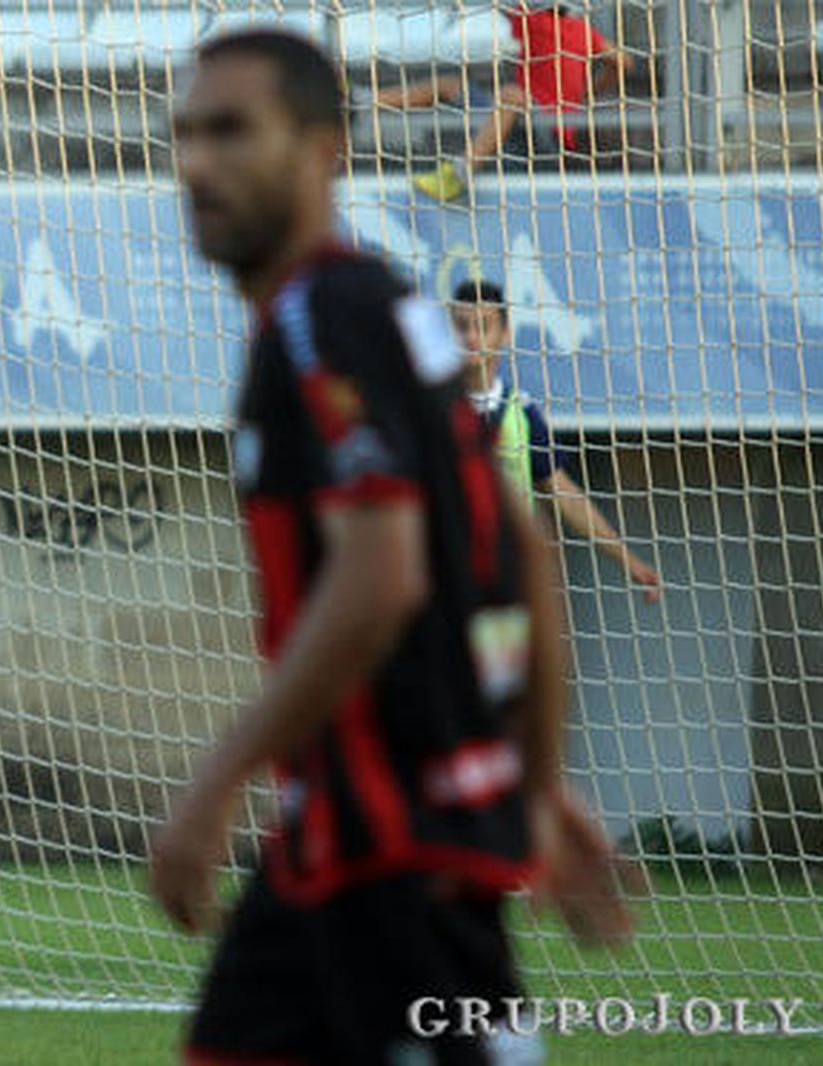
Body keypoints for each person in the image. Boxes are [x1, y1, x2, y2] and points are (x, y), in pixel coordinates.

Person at [153, 27, 634, 1065]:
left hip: (389, 856)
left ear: (325, 148)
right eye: (186, 133)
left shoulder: (320, 320)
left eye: (233, 130)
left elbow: (384, 571)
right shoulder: (381, 310)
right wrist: (536, 781)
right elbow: (519, 544)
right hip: (346, 845)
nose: (197, 162)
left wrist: (214, 777)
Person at [450, 278, 661, 602]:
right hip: (448, 577)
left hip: (508, 575)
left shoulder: (521, 413)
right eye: (461, 327)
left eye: (482, 326)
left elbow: (566, 496)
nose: (471, 337)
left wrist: (628, 561)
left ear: (504, 335)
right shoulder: (433, 410)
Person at [389, 2, 634, 202]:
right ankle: (364, 102)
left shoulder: (531, 20)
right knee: (451, 85)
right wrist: (587, 94)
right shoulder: (581, 30)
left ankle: (460, 173)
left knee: (511, 95)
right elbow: (624, 63)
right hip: (518, 125)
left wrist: (584, 95)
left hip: (546, 139)